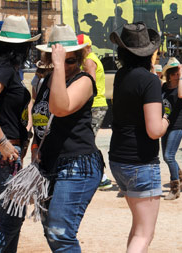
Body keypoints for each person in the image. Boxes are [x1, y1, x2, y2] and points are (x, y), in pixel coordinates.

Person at [33, 23, 103, 252]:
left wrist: (59, 67)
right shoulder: (47, 81)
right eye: (60, 59)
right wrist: (36, 144)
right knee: (51, 232)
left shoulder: (83, 81)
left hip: (77, 164)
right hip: (50, 163)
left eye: (70, 60)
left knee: (60, 232)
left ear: (80, 59)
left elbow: (60, 108)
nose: (66, 65)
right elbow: (41, 115)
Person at [0, 15, 40, 252]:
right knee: (11, 220)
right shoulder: (3, 69)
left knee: (11, 218)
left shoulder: (2, 67)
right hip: (1, 151)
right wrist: (2, 142)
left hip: (1, 150)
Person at [108, 23, 168, 252]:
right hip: (141, 161)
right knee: (144, 234)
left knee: (137, 229)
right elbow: (155, 130)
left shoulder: (122, 75)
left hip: (119, 158)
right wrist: (167, 120)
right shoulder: (149, 81)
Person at [77, 33, 113, 190]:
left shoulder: (89, 61)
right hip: (95, 105)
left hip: (94, 105)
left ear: (86, 47)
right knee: (87, 140)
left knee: (87, 141)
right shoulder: (88, 58)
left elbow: (89, 83)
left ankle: (102, 176)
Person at [160, 57, 182, 200]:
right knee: (167, 157)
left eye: (178, 73)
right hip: (165, 124)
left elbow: (181, 95)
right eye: (174, 73)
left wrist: (181, 75)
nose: (176, 75)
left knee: (168, 156)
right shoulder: (164, 87)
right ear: (169, 75)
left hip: (178, 125)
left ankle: (175, 188)